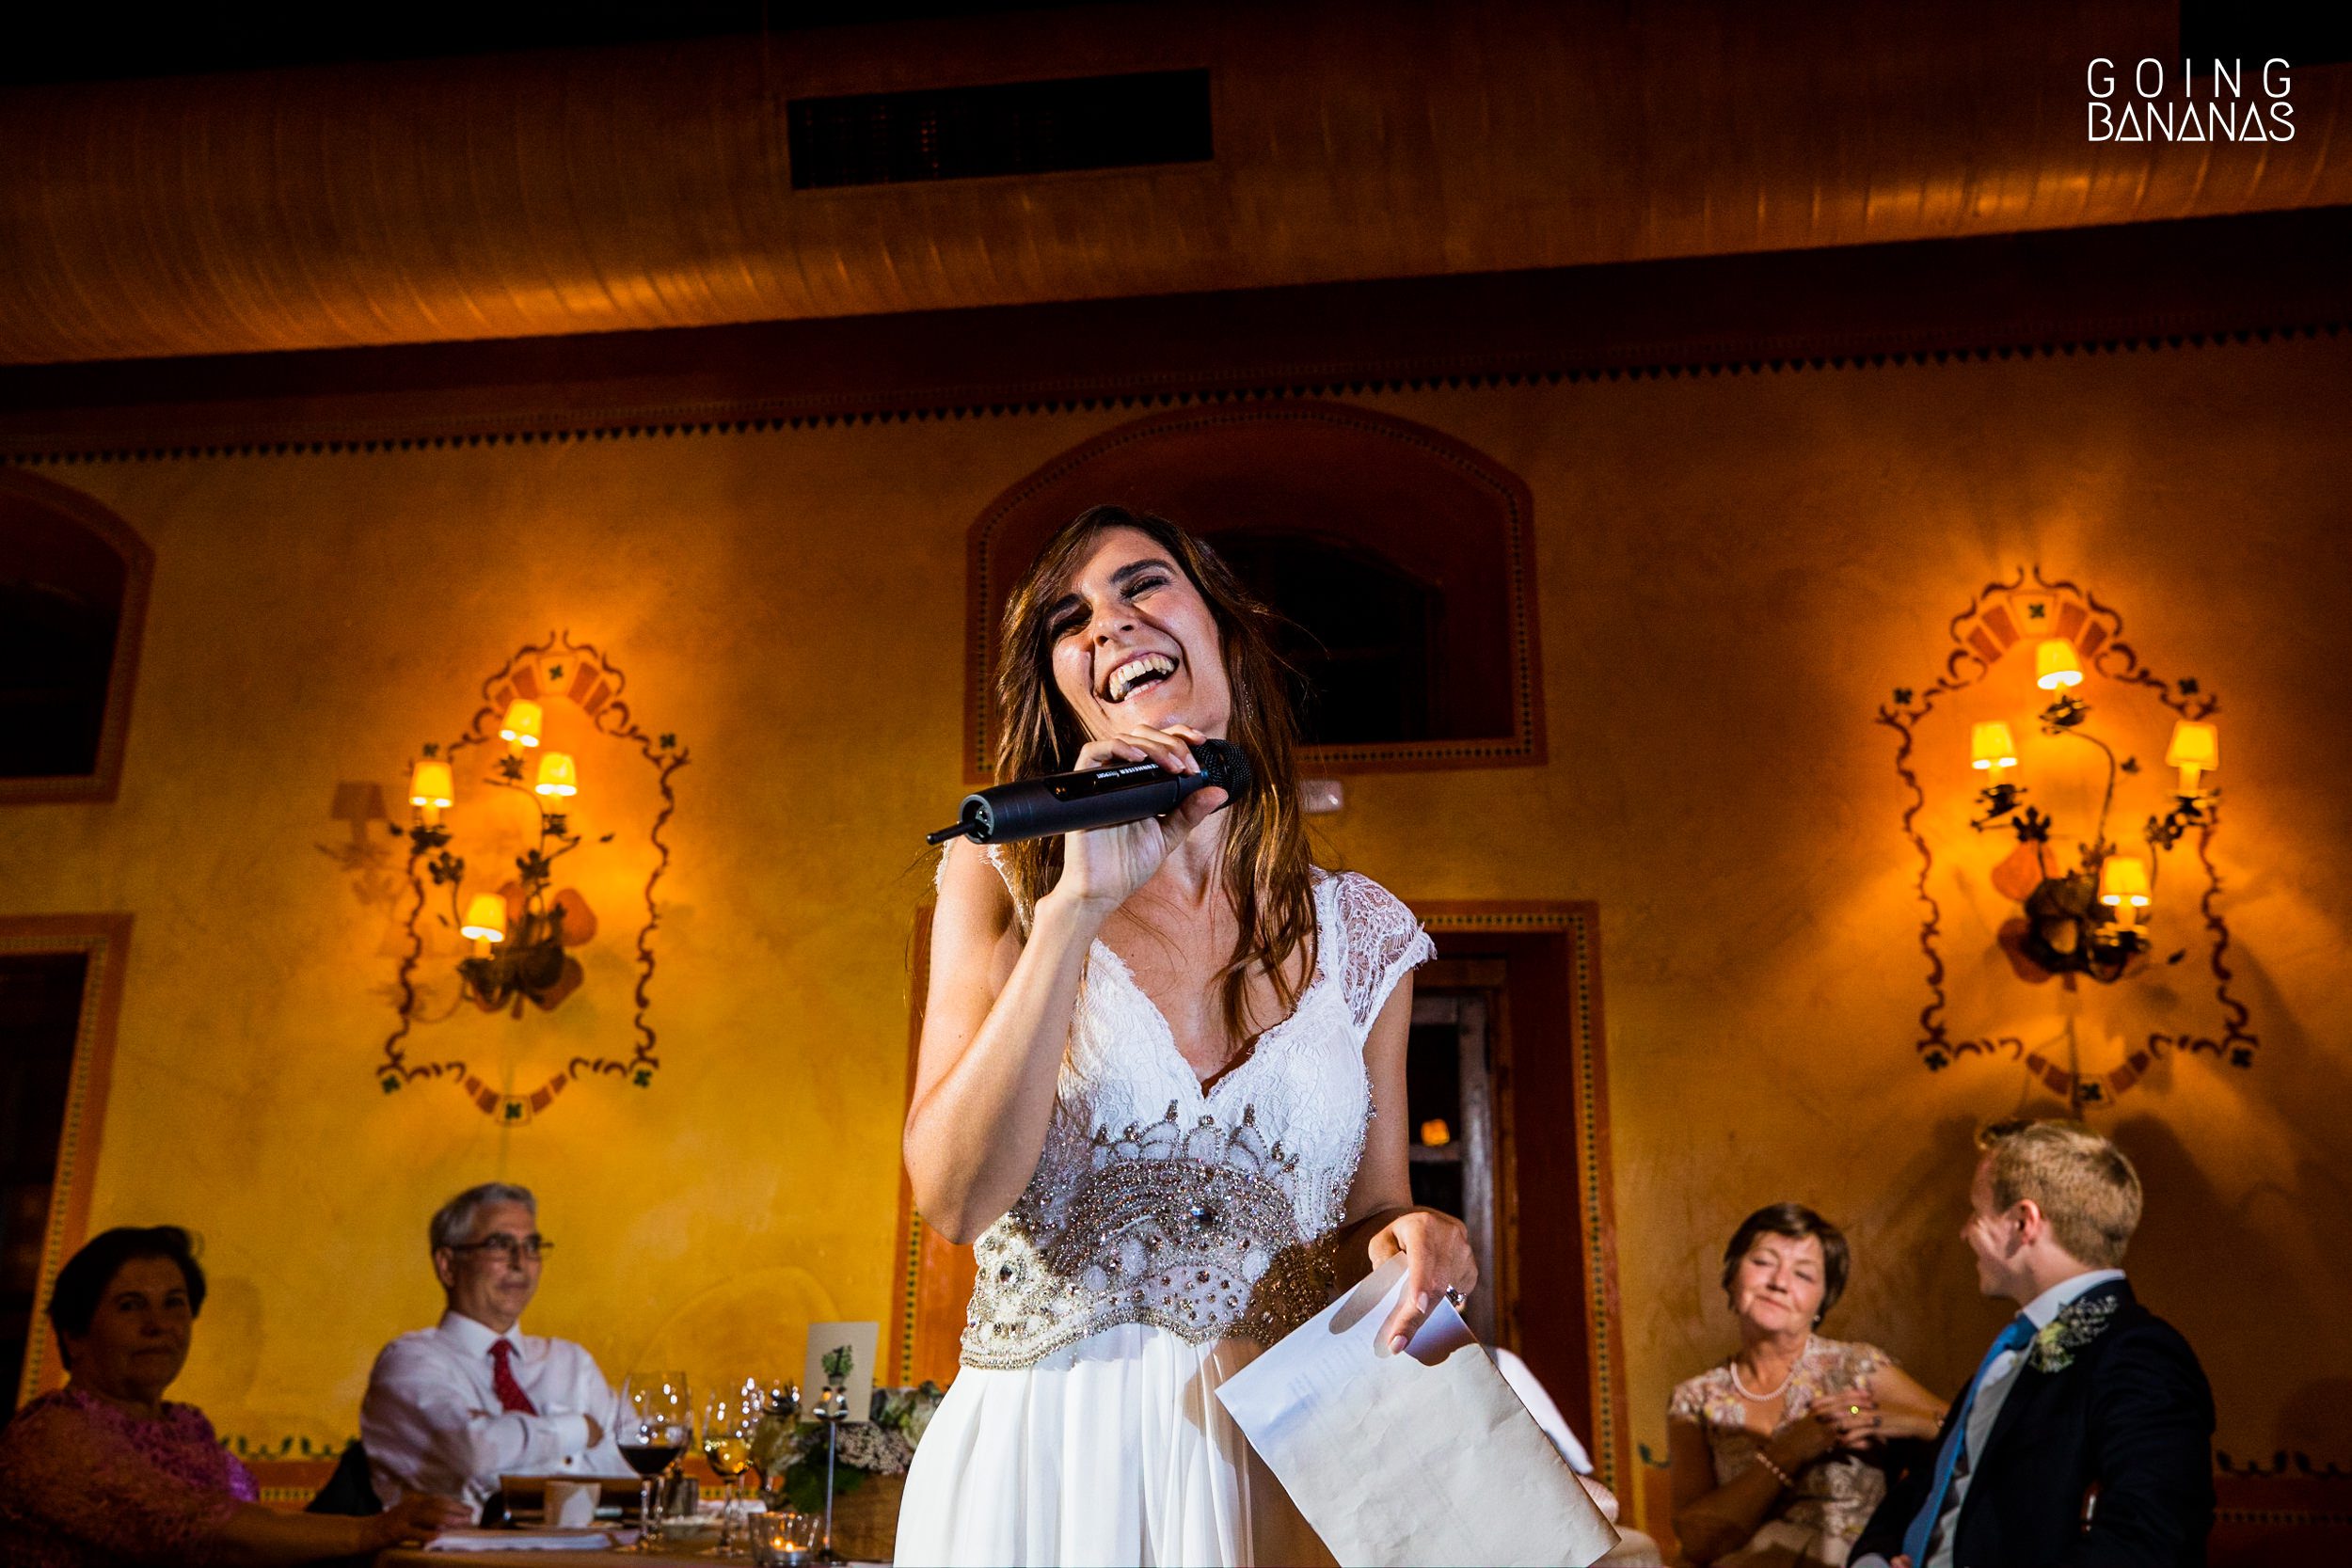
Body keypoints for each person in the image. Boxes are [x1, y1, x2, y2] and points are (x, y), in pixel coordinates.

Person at [894, 505, 1477, 1566]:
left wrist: (1419, 1231)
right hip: (1047, 1457)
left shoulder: (1364, 932)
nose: (1108, 625)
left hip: (1276, 1452)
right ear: (1064, 686)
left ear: (1221, 630)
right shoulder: (1002, 880)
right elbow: (951, 1197)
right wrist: (1076, 908)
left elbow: (1371, 1219)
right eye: (1069, 619)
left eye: (1142, 585)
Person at [1851, 1120, 2214, 1568]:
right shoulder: (2021, 1347)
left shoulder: (2137, 1352)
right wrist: (1874, 1560)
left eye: (1975, 1213)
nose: (1965, 1233)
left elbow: (2151, 1539)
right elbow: (1935, 1483)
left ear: (2024, 1221)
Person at [0, 1225, 465, 1565]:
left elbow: (248, 1529)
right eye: (130, 1305)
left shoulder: (185, 1425)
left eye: (175, 1303)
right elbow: (198, 1530)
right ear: (75, 1335)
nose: (157, 1326)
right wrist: (369, 1530)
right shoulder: (52, 1435)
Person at [1667, 1204, 1947, 1567]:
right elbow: (1696, 1541)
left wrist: (1895, 1420)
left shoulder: (1857, 1368)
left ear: (1822, 1300)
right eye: (1763, 1262)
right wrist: (1791, 1450)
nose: (1779, 1282)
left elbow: (1966, 1434)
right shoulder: (1694, 1398)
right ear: (1732, 1275)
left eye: (1803, 1274)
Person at [360, 1182, 626, 1517]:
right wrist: (579, 1430)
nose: (520, 1263)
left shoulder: (571, 1363)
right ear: (448, 1265)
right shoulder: (409, 1362)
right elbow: (472, 1452)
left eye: (531, 1246)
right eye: (499, 1245)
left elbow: (628, 1473)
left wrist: (514, 1442)